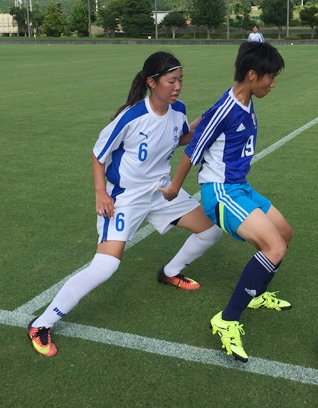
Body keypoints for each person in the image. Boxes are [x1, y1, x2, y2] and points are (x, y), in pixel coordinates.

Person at [27, 52, 223, 357]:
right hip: (124, 198)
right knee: (105, 266)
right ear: (152, 82)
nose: (177, 87)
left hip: (160, 192)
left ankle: (169, 272)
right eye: (171, 81)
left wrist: (200, 123)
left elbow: (179, 136)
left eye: (180, 80)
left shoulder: (178, 110)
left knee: (210, 230)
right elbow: (98, 155)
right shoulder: (131, 117)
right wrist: (100, 193)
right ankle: (41, 323)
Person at [159, 42, 293, 363]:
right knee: (274, 248)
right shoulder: (228, 108)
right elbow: (193, 151)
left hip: (240, 187)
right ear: (251, 74)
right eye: (269, 77)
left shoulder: (243, 101)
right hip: (219, 192)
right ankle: (227, 320)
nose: (273, 83)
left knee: (284, 234)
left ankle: (257, 294)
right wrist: (174, 188)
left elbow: (209, 131)